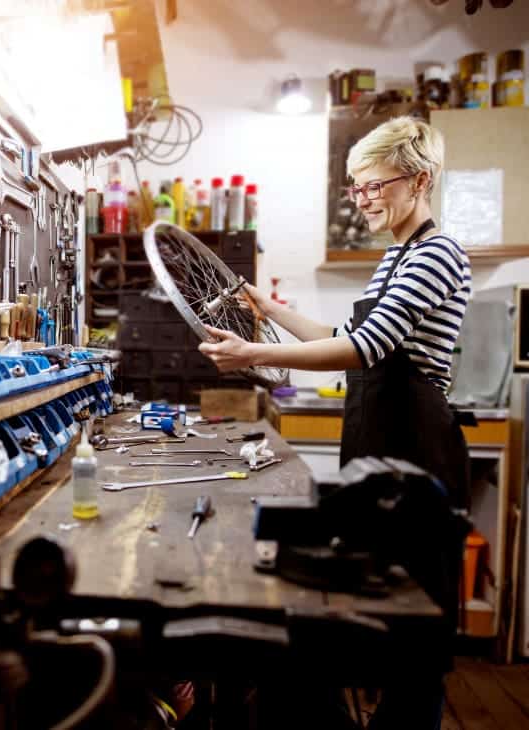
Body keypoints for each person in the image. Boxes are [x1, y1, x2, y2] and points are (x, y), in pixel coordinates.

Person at [197, 116, 471, 729]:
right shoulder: (396, 258)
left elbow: (364, 346)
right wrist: (269, 310)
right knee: (376, 613)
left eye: (375, 186)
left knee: (412, 631)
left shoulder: (438, 252)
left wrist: (252, 354)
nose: (364, 199)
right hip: (380, 450)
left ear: (419, 181)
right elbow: (340, 336)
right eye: (357, 188)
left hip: (417, 456)